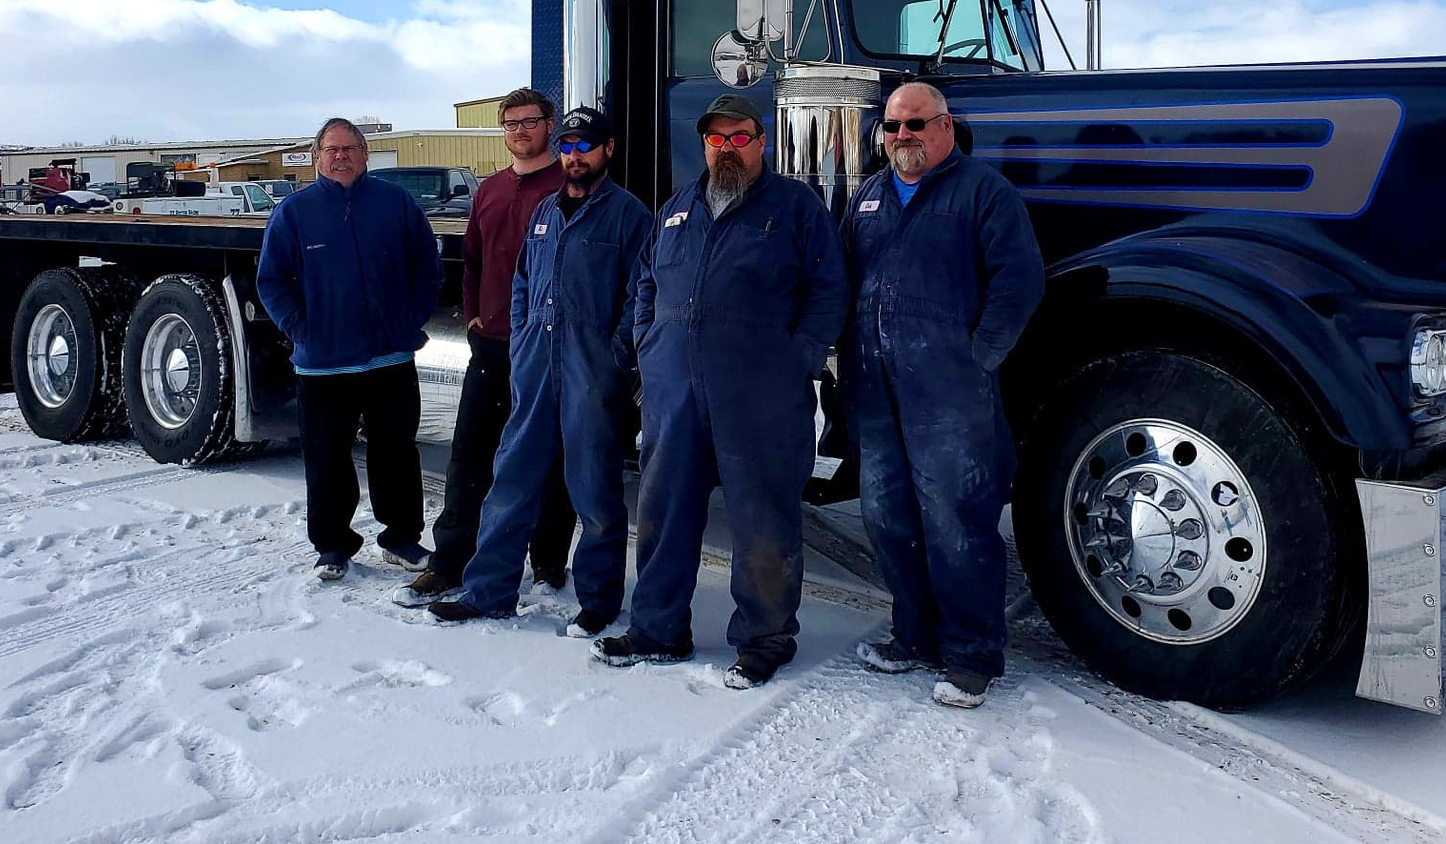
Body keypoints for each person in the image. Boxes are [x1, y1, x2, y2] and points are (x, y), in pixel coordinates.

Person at [593, 93, 849, 690]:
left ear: (761, 142)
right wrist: (649, 345)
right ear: (704, 144)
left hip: (760, 397)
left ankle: (764, 639)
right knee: (663, 514)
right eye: (716, 138)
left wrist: (797, 360)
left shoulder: (795, 208)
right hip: (674, 393)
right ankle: (657, 629)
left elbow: (829, 289)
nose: (726, 148)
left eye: (739, 137)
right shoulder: (677, 207)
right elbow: (646, 282)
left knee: (763, 521)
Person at [409, 107, 651, 636]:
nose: (574, 156)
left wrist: (616, 355)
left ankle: (599, 601)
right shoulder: (545, 213)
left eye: (585, 146)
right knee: (510, 483)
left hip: (591, 375)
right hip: (536, 371)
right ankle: (488, 591)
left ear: (608, 150)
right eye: (566, 146)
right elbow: (522, 282)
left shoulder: (629, 216)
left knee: (594, 492)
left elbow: (642, 294)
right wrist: (521, 340)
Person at [842, 82, 1044, 708]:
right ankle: (914, 636)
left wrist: (978, 356)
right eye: (892, 127)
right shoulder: (869, 197)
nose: (902, 136)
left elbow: (1020, 279)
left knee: (957, 521)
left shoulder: (982, 192)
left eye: (916, 124)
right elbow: (842, 278)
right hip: (877, 391)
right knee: (887, 516)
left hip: (949, 395)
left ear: (946, 126)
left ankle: (972, 655)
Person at [400, 88, 577, 598]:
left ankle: (547, 563)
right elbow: (472, 259)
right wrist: (474, 313)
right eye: (511, 123)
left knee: (551, 459)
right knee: (471, 455)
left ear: (550, 125)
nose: (520, 131)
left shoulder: (567, 187)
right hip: (493, 344)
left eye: (530, 121)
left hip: (547, 349)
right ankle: (451, 560)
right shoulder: (491, 190)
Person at [256, 116, 442, 582]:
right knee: (327, 458)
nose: (341, 157)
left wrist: (409, 320)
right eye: (332, 149)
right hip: (324, 365)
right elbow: (272, 281)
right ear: (317, 157)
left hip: (390, 357)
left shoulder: (395, 203)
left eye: (350, 148)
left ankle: (401, 538)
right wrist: (302, 330)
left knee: (396, 453)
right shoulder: (295, 212)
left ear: (365, 154)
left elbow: (426, 266)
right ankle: (333, 546)